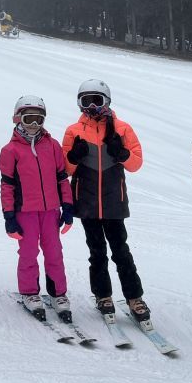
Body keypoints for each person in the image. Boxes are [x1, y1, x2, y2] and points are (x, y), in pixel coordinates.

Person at [60, 79, 147, 318]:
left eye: (96, 100)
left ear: (106, 101)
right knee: (96, 252)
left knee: (121, 251)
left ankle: (134, 297)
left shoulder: (122, 129)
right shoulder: (74, 131)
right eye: (85, 101)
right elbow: (65, 169)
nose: (91, 106)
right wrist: (74, 156)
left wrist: (122, 152)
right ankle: (103, 295)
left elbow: (136, 164)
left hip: (113, 202)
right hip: (87, 202)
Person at [0, 95, 74, 317]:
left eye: (39, 120)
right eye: (29, 118)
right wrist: (9, 216)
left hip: (51, 211)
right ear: (17, 119)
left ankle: (58, 293)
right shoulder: (10, 150)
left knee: (54, 252)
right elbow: (7, 186)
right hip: (25, 213)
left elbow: (62, 178)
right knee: (29, 252)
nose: (34, 125)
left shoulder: (52, 146)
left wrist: (67, 206)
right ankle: (30, 292)